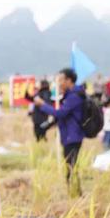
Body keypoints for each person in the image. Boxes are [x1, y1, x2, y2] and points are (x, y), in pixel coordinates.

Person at [34, 68, 85, 196]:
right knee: (71, 165)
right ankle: (75, 193)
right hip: (69, 135)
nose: (59, 83)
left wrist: (42, 104)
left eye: (61, 80)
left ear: (69, 80)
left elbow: (61, 113)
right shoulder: (70, 94)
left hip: (72, 136)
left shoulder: (74, 96)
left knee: (71, 166)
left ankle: (75, 195)